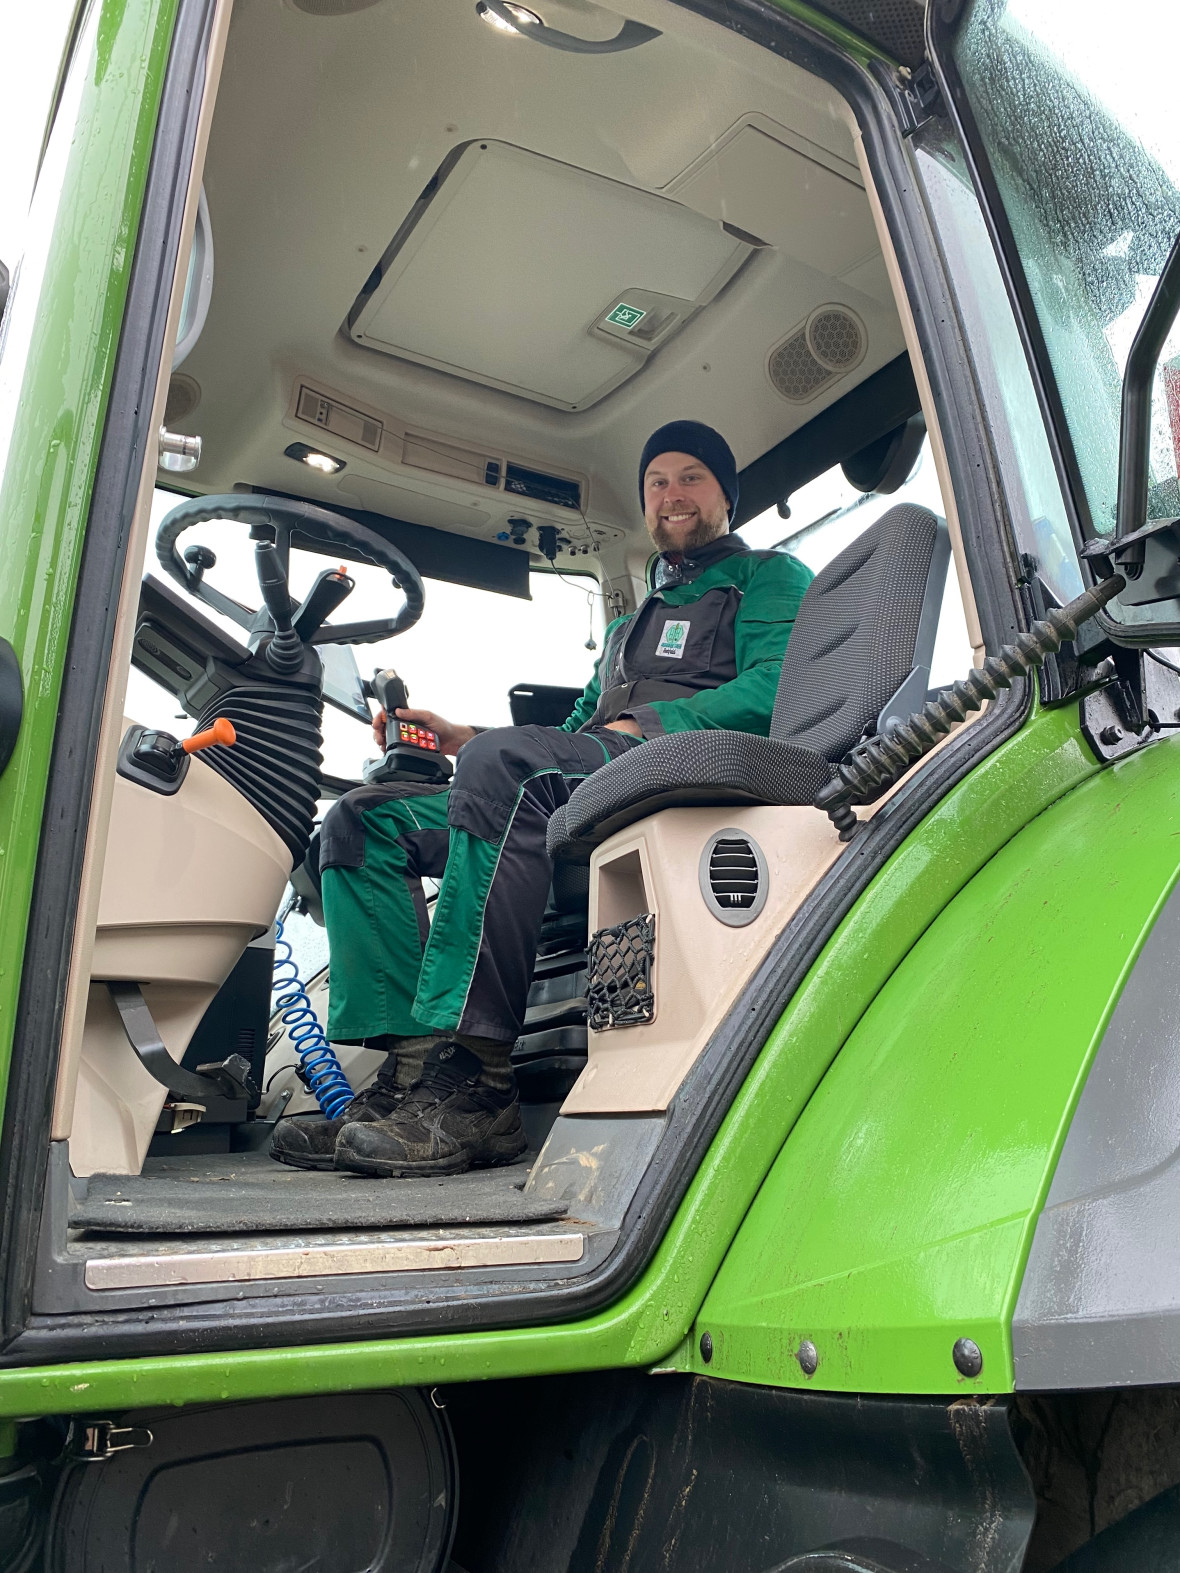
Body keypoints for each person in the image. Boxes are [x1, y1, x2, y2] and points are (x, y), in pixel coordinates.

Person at [270, 420, 813, 1177]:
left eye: (692, 477)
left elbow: (776, 689)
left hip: (674, 766)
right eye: (658, 482)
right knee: (366, 819)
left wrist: (647, 720)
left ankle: (481, 1081)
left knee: (509, 767)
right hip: (595, 766)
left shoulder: (768, 578)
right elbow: (566, 733)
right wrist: (467, 736)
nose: (672, 493)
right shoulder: (626, 628)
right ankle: (411, 1071)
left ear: (727, 495)